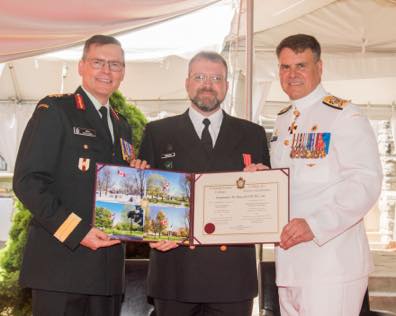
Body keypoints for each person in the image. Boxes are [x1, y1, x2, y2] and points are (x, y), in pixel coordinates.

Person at [137, 51, 270, 316]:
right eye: (199, 77)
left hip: (232, 278)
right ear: (187, 83)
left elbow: (264, 206)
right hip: (174, 274)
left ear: (227, 86)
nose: (207, 84)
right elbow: (140, 200)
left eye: (216, 78)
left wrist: (263, 184)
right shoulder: (157, 133)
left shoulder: (253, 134)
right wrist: (149, 232)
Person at [13, 35, 134, 316]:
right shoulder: (56, 110)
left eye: (115, 64)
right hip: (61, 268)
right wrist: (78, 232)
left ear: (123, 72)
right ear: (81, 66)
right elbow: (28, 181)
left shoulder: (122, 125)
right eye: (98, 62)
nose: (107, 71)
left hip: (107, 272)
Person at [270, 34, 382, 315]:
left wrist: (316, 224)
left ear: (320, 68)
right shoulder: (283, 120)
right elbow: (287, 182)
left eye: (301, 66)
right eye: (285, 67)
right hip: (289, 264)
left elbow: (365, 182)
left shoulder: (345, 115)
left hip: (331, 263)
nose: (292, 75)